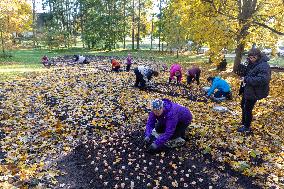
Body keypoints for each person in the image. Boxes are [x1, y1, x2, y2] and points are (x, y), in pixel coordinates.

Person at [238, 48, 271, 133]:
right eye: (250, 57)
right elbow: (249, 72)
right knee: (243, 105)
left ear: (258, 56)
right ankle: (244, 122)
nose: (251, 59)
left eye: (253, 58)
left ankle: (247, 127)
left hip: (255, 91)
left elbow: (263, 79)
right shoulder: (251, 62)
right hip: (247, 89)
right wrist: (242, 72)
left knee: (248, 108)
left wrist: (247, 79)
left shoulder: (264, 66)